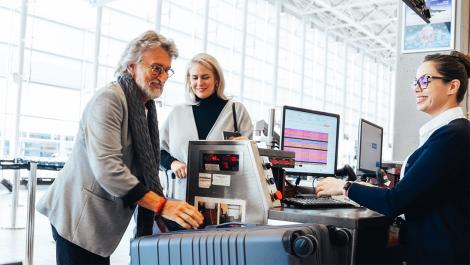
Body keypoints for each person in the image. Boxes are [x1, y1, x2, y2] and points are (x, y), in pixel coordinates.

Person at [36, 30, 203, 265]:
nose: (163, 76)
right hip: (79, 218)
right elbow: (108, 167)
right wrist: (162, 205)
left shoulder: (145, 109)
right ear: (131, 67)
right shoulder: (109, 99)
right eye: (156, 68)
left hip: (102, 222)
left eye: (167, 70)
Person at [316, 51, 470, 264]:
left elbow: (395, 202)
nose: (417, 87)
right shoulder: (450, 133)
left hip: (440, 254)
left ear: (452, 86)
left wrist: (345, 186)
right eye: (415, 81)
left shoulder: (453, 136)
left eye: (425, 80)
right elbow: (412, 194)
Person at [160, 53, 253, 200]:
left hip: (224, 201)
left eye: (205, 77)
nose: (199, 83)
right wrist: (172, 163)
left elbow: (251, 163)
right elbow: (157, 151)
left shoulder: (236, 111)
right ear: (189, 80)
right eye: (194, 77)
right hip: (180, 202)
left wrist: (246, 148)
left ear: (216, 79)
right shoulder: (177, 113)